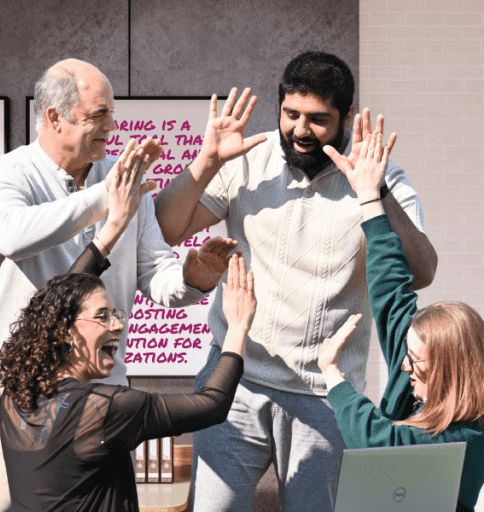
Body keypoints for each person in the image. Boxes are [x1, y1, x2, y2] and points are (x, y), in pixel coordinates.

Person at [153, 51, 439, 511]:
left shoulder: (378, 176)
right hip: (234, 381)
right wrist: (207, 160)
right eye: (291, 114)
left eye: (318, 119)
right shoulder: (248, 159)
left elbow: (421, 272)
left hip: (324, 395)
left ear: (346, 115)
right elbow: (166, 228)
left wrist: (376, 190)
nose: (300, 130)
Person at [0, 58, 240, 511]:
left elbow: (157, 275)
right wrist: (109, 198)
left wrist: (194, 278)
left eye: (111, 113)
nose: (111, 127)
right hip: (18, 396)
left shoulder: (122, 178)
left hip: (99, 399)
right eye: (98, 115)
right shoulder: (9, 174)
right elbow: (14, 235)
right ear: (55, 117)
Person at [316, 130, 484, 512]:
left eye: (415, 360)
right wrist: (370, 197)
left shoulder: (470, 435)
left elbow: (380, 447)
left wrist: (334, 378)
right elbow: (390, 292)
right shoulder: (419, 385)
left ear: (451, 368)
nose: (403, 366)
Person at [0, 252, 258, 512]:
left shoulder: (16, 394)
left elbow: (54, 307)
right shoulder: (102, 409)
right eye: (102, 316)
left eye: (116, 315)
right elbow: (213, 404)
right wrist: (236, 327)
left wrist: (106, 239)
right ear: (64, 330)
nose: (118, 326)